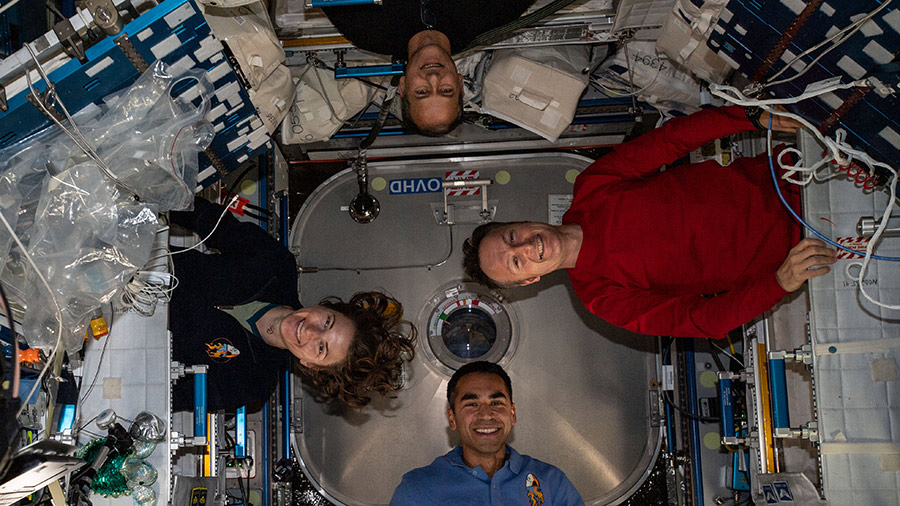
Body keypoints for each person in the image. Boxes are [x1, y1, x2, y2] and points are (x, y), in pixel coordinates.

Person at [463, 105, 838, 339]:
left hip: (793, 170)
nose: (527, 248)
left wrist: (750, 116)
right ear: (530, 280)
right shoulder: (602, 299)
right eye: (517, 262)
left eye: (512, 237)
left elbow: (671, 141)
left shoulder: (592, 186)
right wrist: (779, 283)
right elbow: (701, 320)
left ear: (522, 221)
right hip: (808, 247)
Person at [168, 197, 416, 411]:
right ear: (327, 307)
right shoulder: (276, 265)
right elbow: (205, 217)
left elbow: (166, 392)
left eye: (321, 349)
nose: (310, 331)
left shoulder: (250, 384)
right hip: (140, 265)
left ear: (311, 366)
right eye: (326, 322)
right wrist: (151, 199)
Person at [321, 0, 535, 136]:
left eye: (422, 92)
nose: (433, 78)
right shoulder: (493, 13)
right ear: (460, 83)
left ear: (403, 86)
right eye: (446, 90)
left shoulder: (368, 32)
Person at [389, 361, 584, 506]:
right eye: (471, 404)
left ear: (512, 413)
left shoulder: (551, 482)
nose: (486, 415)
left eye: (496, 403)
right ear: (452, 419)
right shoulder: (418, 489)